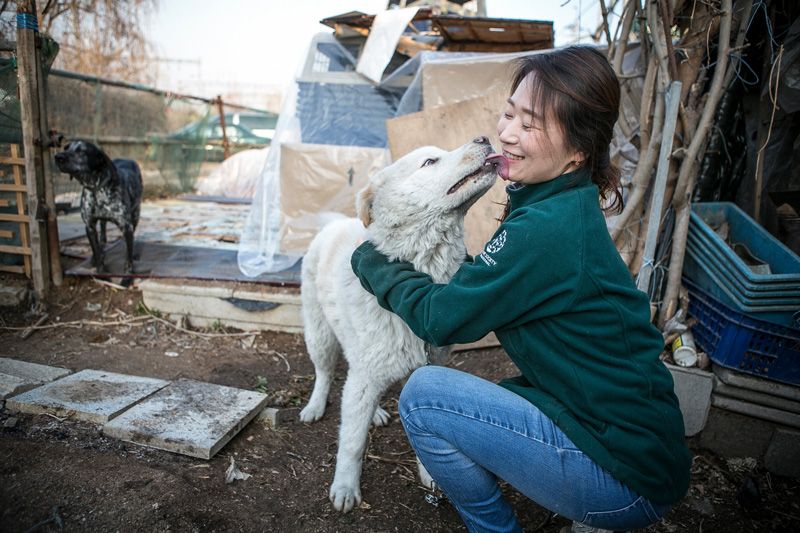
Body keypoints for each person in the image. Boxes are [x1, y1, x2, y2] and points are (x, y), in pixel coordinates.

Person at [350, 46, 691, 533]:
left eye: (530, 125)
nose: (507, 133)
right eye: (509, 113)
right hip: (640, 448)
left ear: (577, 150)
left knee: (424, 395)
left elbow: (442, 319)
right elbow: (487, 283)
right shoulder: (559, 207)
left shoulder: (545, 228)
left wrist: (374, 263)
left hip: (626, 477)